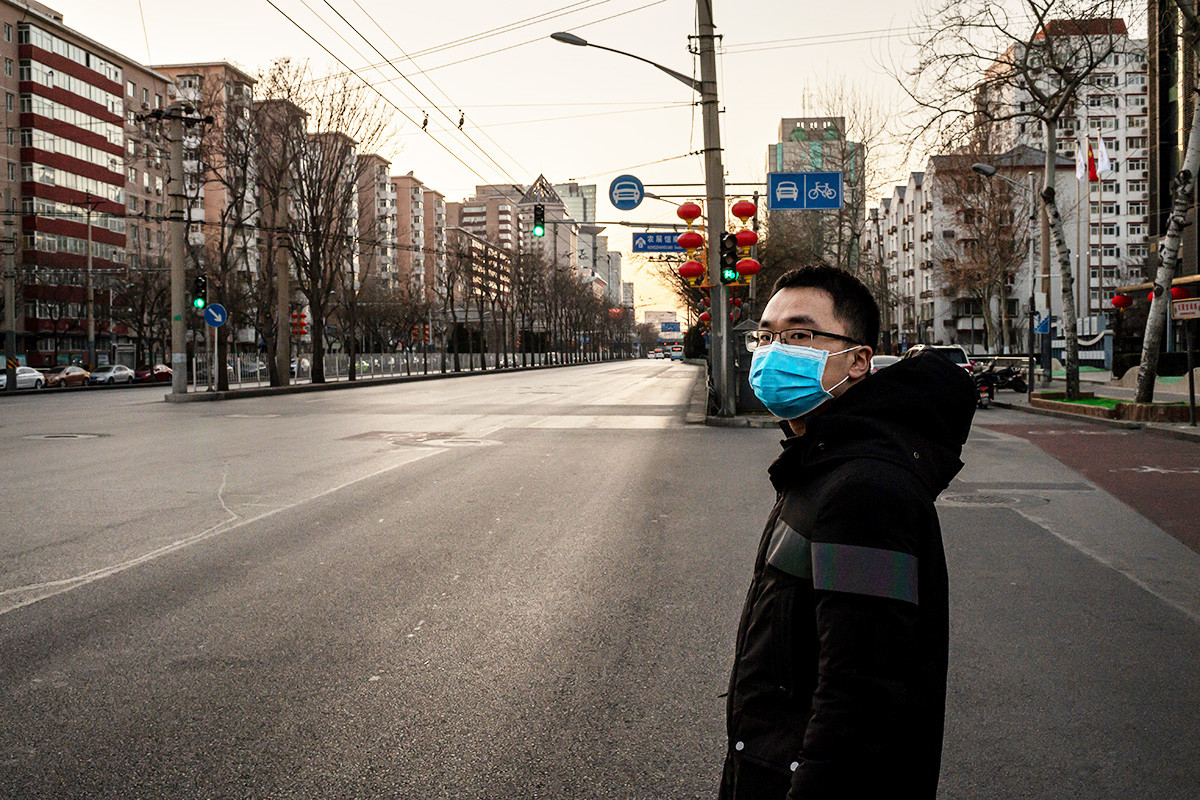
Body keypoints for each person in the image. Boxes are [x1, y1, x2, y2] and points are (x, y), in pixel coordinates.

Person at [719, 265, 976, 799]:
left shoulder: (864, 491)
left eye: (800, 335)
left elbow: (860, 693)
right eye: (765, 335)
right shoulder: (820, 463)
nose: (771, 351)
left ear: (858, 361)